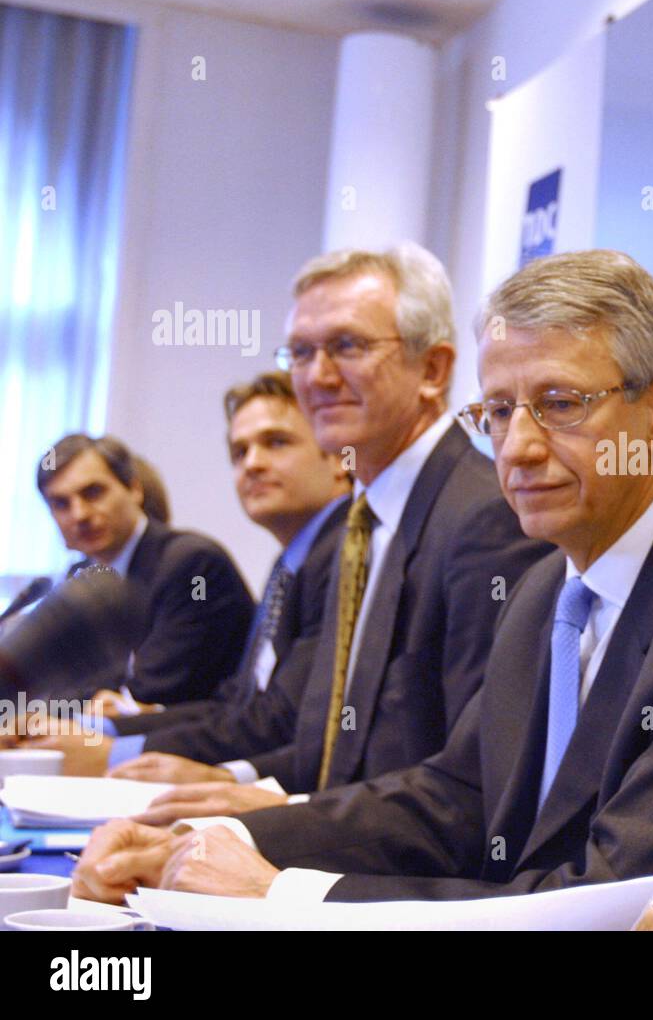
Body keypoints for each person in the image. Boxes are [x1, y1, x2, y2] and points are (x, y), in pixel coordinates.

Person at [72, 250, 653, 916]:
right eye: (499, 410)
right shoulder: (550, 588)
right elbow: (451, 797)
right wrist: (217, 839)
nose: (516, 447)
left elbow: (610, 906)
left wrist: (288, 897)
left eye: (558, 404)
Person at [74, 243, 548, 819]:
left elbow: (467, 789)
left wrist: (269, 821)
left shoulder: (482, 519)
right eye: (300, 352)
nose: (317, 376)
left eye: (348, 346)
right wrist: (231, 785)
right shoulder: (365, 524)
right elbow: (338, 754)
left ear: (433, 369)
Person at [29, 371, 351, 774]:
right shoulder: (290, 562)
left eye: (276, 442)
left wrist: (111, 746)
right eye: (239, 452)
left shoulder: (194, 565)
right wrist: (91, 725)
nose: (252, 464)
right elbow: (234, 705)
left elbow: (271, 719)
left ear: (339, 458)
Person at [35, 434, 254, 705]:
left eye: (93, 492)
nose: (79, 514)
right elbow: (56, 682)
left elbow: (153, 689)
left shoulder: (194, 567)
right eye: (60, 504)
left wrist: (47, 712)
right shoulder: (78, 579)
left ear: (134, 489)